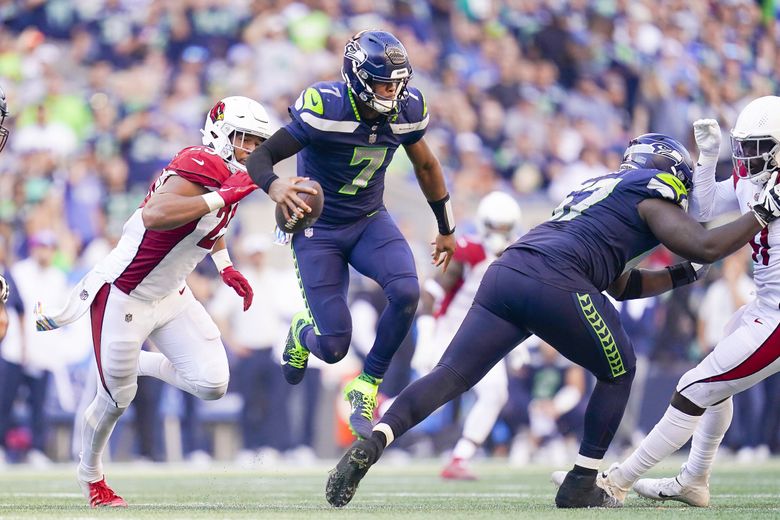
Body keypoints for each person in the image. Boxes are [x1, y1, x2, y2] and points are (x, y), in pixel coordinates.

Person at [325, 131, 780, 509]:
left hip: (508, 272)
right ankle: (583, 482)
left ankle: (376, 440)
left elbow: (620, 284)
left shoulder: (601, 191)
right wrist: (761, 212)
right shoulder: (651, 193)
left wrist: (679, 277)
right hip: (556, 280)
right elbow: (704, 246)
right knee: (619, 370)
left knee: (451, 375)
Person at [35, 96, 313, 508]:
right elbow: (157, 214)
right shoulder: (200, 161)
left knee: (213, 383)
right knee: (115, 401)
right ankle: (91, 477)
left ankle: (132, 365)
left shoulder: (230, 175)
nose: (253, 151)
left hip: (171, 293)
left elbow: (208, 225)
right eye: (246, 140)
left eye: (258, 143)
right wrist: (224, 196)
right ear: (221, 133)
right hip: (125, 294)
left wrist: (223, 264)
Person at [245, 29, 457, 439]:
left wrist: (445, 227)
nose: (393, 92)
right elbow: (262, 154)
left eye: (398, 83)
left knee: (408, 292)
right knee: (335, 346)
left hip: (368, 219)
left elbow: (427, 166)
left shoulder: (407, 109)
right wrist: (276, 186)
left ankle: (367, 385)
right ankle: (300, 334)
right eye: (383, 82)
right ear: (358, 77)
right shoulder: (327, 106)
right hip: (317, 229)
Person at [579, 101, 780, 507]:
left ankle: (618, 480)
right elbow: (703, 209)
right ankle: (693, 480)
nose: (747, 157)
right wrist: (707, 159)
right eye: (742, 146)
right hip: (762, 307)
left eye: (758, 146)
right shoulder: (750, 177)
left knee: (693, 387)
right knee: (712, 388)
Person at [412, 191, 523, 480]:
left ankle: (460, 458)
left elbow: (518, 305)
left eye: (504, 228)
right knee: (431, 400)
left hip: (486, 337)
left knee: (496, 393)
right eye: (495, 227)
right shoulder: (468, 251)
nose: (499, 235)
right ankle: (379, 410)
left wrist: (521, 344)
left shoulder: (517, 256)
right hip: (449, 334)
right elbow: (430, 294)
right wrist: (425, 337)